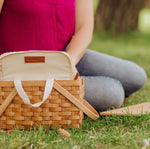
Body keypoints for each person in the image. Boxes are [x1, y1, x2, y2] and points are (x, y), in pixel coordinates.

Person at [0, 0, 147, 112]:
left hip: (63, 55)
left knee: (135, 76)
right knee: (113, 93)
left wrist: (69, 63)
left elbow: (84, 28)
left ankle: (57, 87)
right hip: (20, 66)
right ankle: (26, 94)